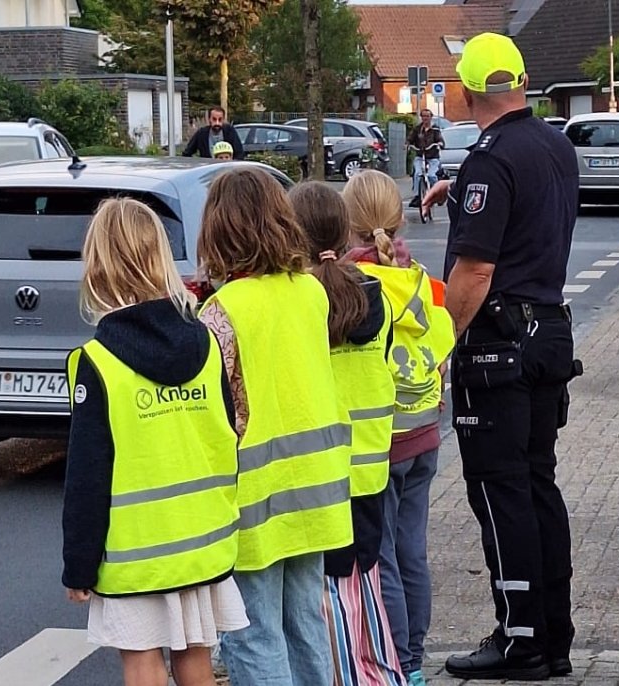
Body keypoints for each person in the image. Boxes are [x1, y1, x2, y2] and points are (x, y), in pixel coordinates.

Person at [420, 32, 580, 680]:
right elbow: (526, 202)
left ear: (468, 89)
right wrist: (462, 188)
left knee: (499, 492)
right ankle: (553, 637)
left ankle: (520, 643)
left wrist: (439, 345)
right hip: (549, 336)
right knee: (538, 483)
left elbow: (476, 271)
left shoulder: (491, 159)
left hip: (498, 347)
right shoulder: (554, 145)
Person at [61, 198, 250, 686]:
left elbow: (87, 473)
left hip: (137, 554)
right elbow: (228, 434)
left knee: (142, 660)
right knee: (195, 656)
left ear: (98, 267)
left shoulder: (97, 362)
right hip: (203, 541)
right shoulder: (208, 344)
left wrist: (79, 565)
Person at [197, 167, 354, 686]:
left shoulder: (222, 310)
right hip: (318, 489)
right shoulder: (310, 291)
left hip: (256, 495)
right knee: (306, 622)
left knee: (254, 632)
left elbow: (220, 410)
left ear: (219, 229)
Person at [288, 181, 404, 686]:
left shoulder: (301, 305)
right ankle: (381, 673)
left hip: (320, 474)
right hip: (371, 466)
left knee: (326, 596)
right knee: (365, 585)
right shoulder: (375, 294)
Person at [343, 170, 456, 686]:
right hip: (426, 429)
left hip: (379, 439)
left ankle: (398, 660)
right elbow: (443, 344)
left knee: (381, 556)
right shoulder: (421, 278)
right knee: (413, 551)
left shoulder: (352, 288)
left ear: (349, 226)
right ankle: (416, 658)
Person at [407, 110, 445, 208]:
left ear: (431, 117)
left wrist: (439, 144)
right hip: (420, 155)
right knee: (417, 174)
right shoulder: (417, 129)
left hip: (432, 157)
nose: (425, 118)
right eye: (423, 116)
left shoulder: (435, 129)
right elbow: (410, 139)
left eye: (427, 116)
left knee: (432, 175)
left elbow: (440, 140)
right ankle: (417, 196)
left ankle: (437, 194)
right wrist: (407, 144)